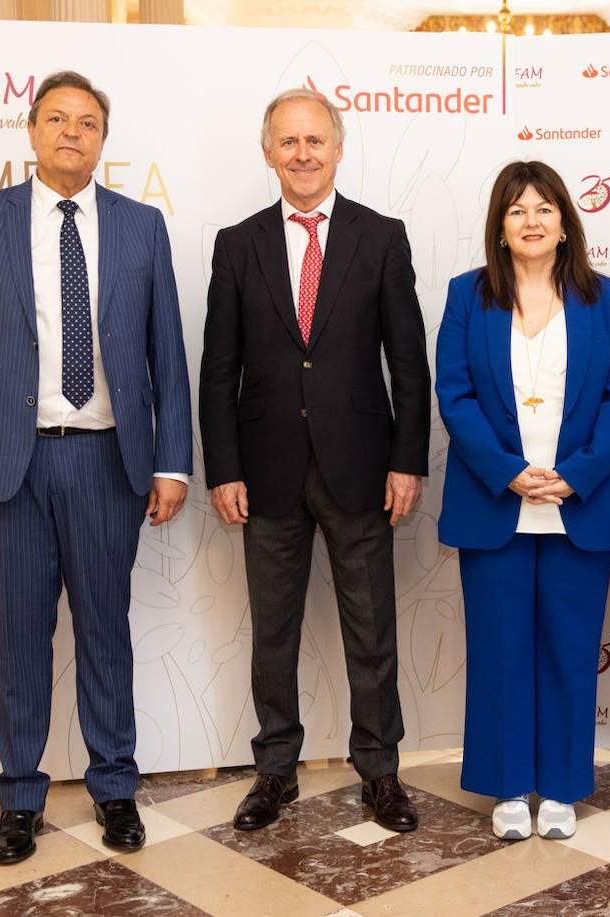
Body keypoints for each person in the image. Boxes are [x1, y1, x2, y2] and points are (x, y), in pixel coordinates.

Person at [0, 71, 193, 865]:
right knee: (21, 638)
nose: (71, 132)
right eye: (57, 119)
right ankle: (19, 798)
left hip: (110, 465)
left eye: (87, 122)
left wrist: (173, 462)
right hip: (11, 468)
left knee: (107, 633)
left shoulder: (142, 227)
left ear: (102, 140)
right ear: (32, 130)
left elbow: (168, 359)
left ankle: (115, 788)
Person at [199, 89, 430, 834]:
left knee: (372, 630)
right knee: (273, 631)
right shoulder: (238, 244)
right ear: (268, 151)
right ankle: (274, 771)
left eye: (315, 141)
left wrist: (408, 461)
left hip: (363, 467)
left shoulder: (380, 236)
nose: (303, 154)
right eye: (288, 141)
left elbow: (409, 364)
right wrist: (222, 467)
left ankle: (381, 772)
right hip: (263, 472)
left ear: (337, 148)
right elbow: (218, 369)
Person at [436, 161, 610, 841]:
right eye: (518, 209)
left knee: (569, 650)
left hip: (579, 503)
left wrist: (578, 473)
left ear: (564, 222)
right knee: (500, 650)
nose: (531, 220)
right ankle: (506, 786)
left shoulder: (604, 297)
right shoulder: (467, 296)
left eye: (545, 208)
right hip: (497, 502)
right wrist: (507, 469)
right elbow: (455, 394)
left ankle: (560, 787)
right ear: (500, 226)